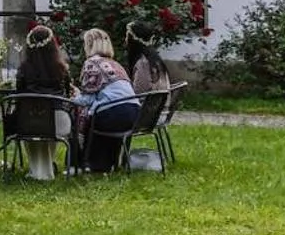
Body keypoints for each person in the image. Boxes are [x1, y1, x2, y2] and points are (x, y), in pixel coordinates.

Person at [11, 24, 75, 181]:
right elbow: (67, 95)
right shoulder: (62, 69)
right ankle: (47, 164)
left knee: (31, 123)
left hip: (28, 121)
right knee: (51, 123)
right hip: (57, 122)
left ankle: (37, 168)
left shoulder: (24, 69)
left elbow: (18, 95)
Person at [72, 28, 139, 169]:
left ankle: (82, 161)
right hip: (133, 114)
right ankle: (108, 162)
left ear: (89, 44)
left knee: (82, 118)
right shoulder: (116, 64)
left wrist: (73, 96)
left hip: (112, 113)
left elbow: (88, 99)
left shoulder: (91, 63)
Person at [127, 29, 173, 94]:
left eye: (127, 37)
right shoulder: (155, 58)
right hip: (161, 102)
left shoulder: (143, 63)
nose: (125, 40)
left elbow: (140, 90)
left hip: (146, 102)